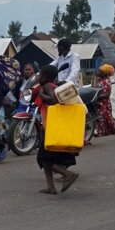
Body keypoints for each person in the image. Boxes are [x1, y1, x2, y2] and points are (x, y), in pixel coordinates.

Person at [33, 65, 79, 194]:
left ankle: (68, 174)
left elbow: (52, 100)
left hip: (50, 129)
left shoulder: (48, 86)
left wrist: (42, 93)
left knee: (43, 158)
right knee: (48, 158)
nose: (38, 77)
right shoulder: (53, 86)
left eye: (40, 75)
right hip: (50, 127)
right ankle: (50, 187)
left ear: (46, 77)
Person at [94, 64, 115, 137]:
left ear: (104, 73)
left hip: (104, 104)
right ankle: (103, 133)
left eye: (100, 71)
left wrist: (96, 97)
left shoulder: (106, 81)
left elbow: (107, 94)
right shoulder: (101, 80)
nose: (98, 72)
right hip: (100, 103)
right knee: (101, 119)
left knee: (103, 118)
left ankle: (103, 134)